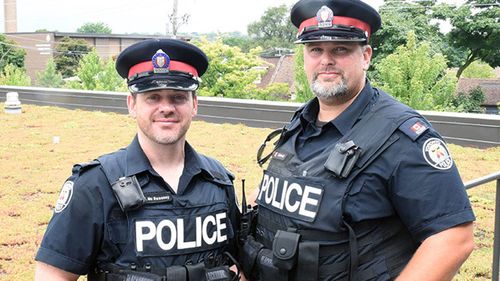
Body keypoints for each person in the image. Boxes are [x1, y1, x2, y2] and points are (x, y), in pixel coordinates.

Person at [238, 0, 475, 280]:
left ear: (366, 56)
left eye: (340, 49)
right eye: (315, 50)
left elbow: (453, 238)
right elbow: (277, 191)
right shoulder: (301, 121)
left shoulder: (401, 135)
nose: (326, 60)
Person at [35, 38, 241, 281]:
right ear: (132, 104)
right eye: (153, 97)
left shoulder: (218, 180)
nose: (167, 108)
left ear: (194, 104)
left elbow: (236, 265)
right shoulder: (94, 185)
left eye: (178, 97)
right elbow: (52, 274)